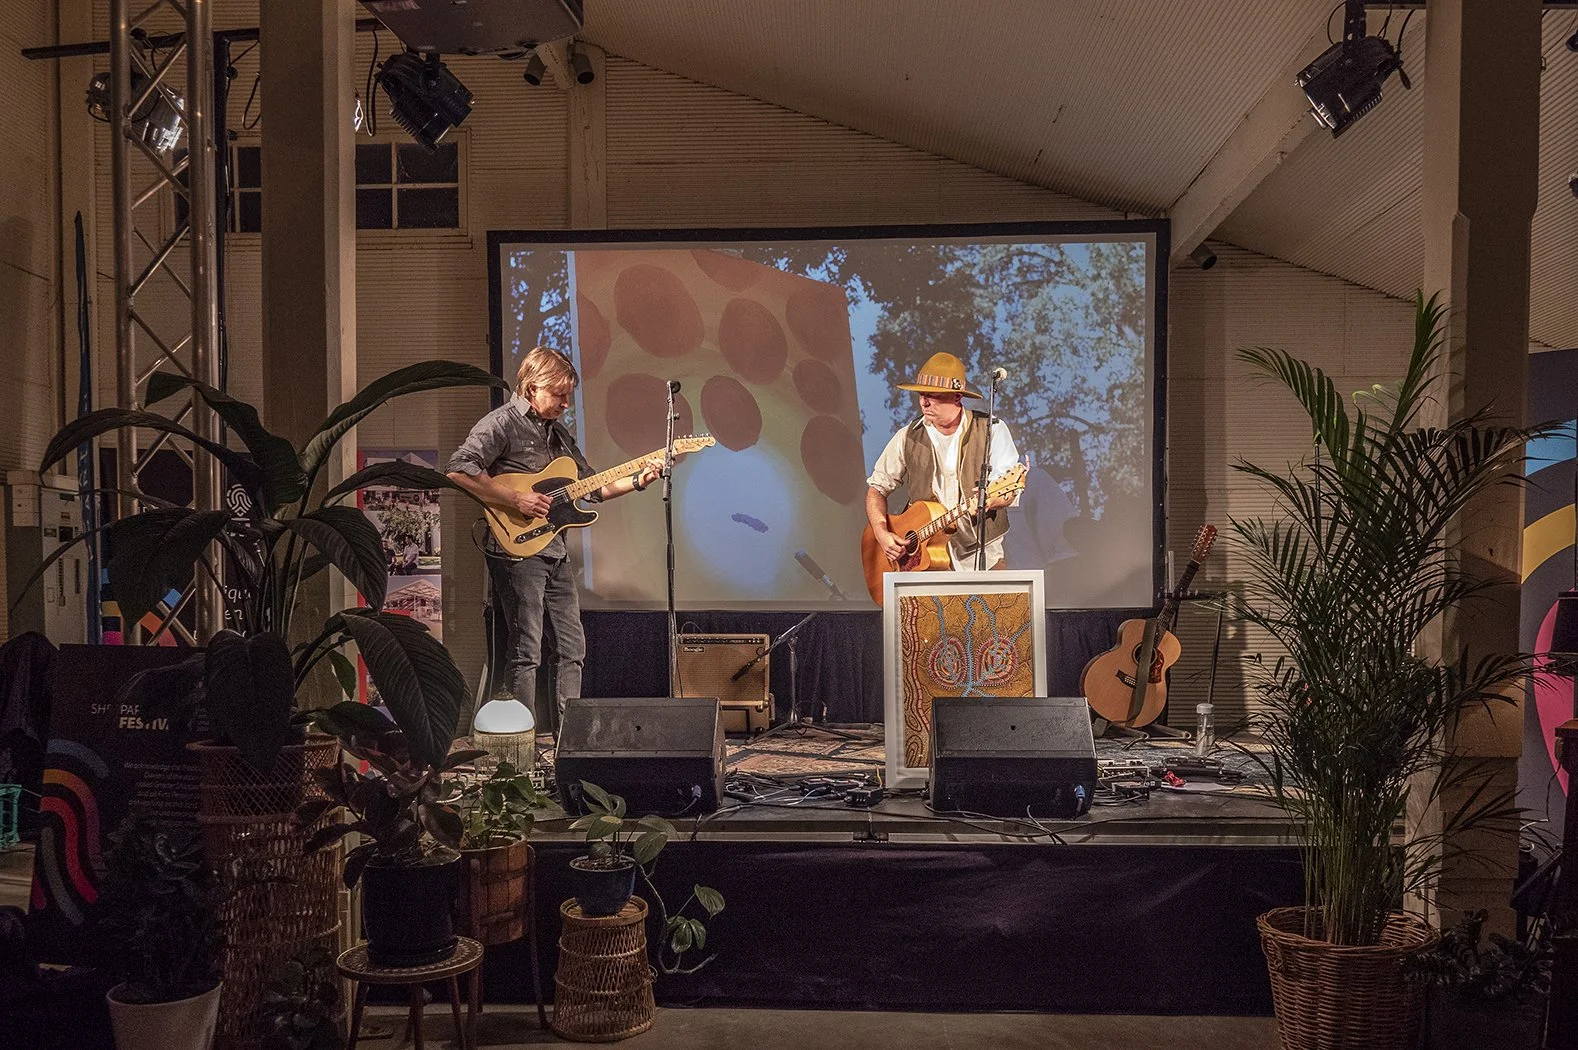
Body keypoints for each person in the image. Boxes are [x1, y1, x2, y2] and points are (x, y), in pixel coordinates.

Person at [446, 346, 661, 728]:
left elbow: (591, 487)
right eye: (559, 394)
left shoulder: (557, 433)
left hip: (554, 549)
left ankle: (569, 740)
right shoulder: (500, 424)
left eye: (568, 395)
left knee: (572, 648)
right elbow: (459, 470)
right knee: (527, 650)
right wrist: (516, 498)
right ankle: (521, 743)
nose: (565, 403)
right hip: (516, 551)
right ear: (532, 388)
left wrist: (640, 479)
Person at [865, 351, 1021, 570]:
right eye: (921, 394)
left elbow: (1008, 489)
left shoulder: (991, 430)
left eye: (933, 395)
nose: (924, 402)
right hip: (924, 561)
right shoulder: (907, 435)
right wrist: (882, 533)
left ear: (957, 397)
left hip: (982, 556)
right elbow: (876, 489)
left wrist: (991, 501)